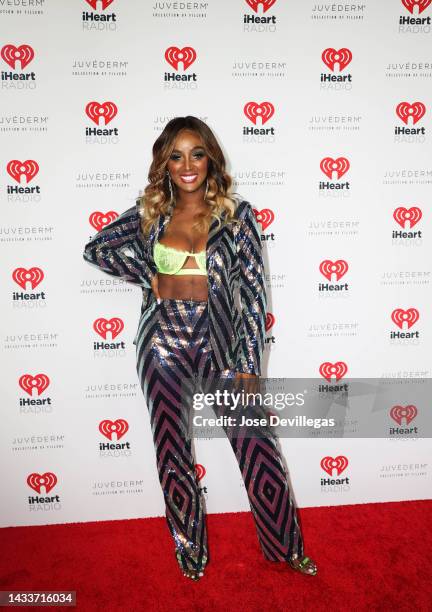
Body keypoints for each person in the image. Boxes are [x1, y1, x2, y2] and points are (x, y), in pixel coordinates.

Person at [83, 116, 317, 580]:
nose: (187, 164)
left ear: (210, 158)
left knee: (256, 445)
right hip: (162, 346)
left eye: (196, 153)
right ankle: (190, 551)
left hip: (222, 346)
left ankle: (285, 548)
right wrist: (150, 277)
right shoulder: (150, 214)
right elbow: (97, 249)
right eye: (176, 155)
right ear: (164, 164)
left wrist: (249, 363)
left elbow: (253, 291)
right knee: (172, 452)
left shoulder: (236, 215)